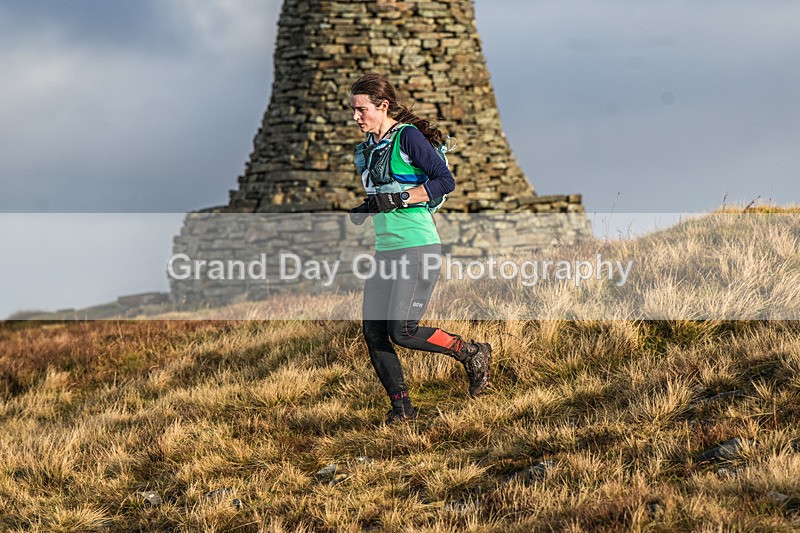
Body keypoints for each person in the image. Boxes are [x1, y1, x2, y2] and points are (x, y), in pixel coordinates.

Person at [348, 72, 492, 425]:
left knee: (404, 331)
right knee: (374, 333)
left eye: (361, 109)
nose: (355, 117)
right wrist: (367, 207)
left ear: (383, 107)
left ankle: (471, 352)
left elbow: (444, 181)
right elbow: (384, 193)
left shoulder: (407, 137)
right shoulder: (367, 149)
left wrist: (398, 198)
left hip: (417, 247)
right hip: (385, 251)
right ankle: (403, 410)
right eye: (352, 110)